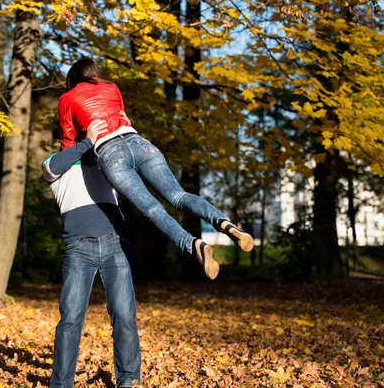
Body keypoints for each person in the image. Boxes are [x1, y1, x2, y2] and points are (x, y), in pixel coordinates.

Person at [58, 58, 254, 280]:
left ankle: (194, 245)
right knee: (179, 196)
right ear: (93, 72)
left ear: (72, 78)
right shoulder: (111, 87)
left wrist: (74, 158)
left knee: (152, 209)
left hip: (109, 153)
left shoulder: (67, 98)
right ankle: (226, 224)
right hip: (139, 143)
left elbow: (68, 143)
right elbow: (121, 117)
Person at [42, 120, 140, 388]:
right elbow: (52, 167)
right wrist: (86, 141)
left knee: (124, 316)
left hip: (114, 244)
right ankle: (61, 384)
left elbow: (133, 162)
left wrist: (126, 133)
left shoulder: (104, 161)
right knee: (71, 319)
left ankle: (128, 380)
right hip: (78, 248)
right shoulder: (55, 163)